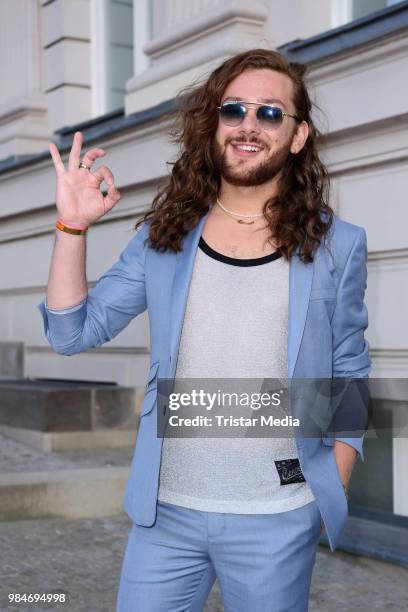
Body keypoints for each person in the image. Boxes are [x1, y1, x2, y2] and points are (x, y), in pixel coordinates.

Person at [38, 49, 371, 612]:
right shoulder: (164, 237)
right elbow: (73, 333)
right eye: (233, 109)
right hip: (165, 515)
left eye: (270, 113)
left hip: (277, 518)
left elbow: (349, 370)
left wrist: (326, 484)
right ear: (213, 125)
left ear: (298, 137)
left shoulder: (337, 245)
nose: (248, 124)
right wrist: (72, 227)